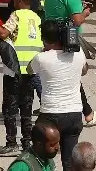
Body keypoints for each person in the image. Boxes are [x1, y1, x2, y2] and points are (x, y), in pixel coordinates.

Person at [0, 0, 42, 156]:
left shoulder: (16, 15)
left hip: (14, 69)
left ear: (19, 0)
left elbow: (4, 33)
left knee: (10, 108)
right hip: (31, 70)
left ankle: (11, 143)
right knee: (26, 108)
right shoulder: (36, 17)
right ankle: (27, 143)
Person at [42, 0, 96, 127]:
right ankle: (86, 112)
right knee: (72, 75)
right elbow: (77, 19)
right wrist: (86, 11)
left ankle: (87, 111)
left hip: (50, 36)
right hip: (68, 37)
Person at [29, 19, 87, 171]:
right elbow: (84, 70)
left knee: (39, 157)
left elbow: (30, 70)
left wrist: (43, 51)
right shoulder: (78, 53)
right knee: (69, 162)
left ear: (44, 38)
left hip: (50, 115)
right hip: (74, 114)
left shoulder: (41, 58)